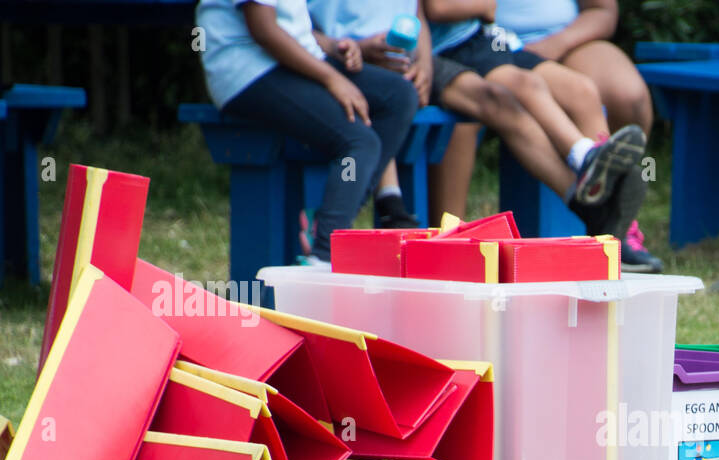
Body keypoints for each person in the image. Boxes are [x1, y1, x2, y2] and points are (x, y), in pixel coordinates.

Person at [195, 0, 420, 263]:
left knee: (398, 96)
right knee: (359, 141)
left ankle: (332, 218)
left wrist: (335, 47)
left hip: (292, 58)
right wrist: (333, 79)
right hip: (248, 69)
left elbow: (290, 25)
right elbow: (263, 29)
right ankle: (324, 254)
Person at [423, 0, 645, 211]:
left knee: (580, 90)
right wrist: (487, 5)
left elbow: (602, 11)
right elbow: (438, 8)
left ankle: (594, 169)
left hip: (494, 43)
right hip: (463, 47)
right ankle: (590, 177)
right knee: (496, 99)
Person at [494, 0, 662, 272]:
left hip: (564, 40)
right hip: (496, 45)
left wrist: (556, 43)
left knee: (630, 97)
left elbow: (602, 11)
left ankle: (620, 216)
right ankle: (605, 210)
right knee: (568, 92)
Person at [307, 0, 434, 229]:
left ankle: (385, 202)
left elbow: (418, 14)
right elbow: (290, 28)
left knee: (388, 107)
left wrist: (425, 64)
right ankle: (336, 223)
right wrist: (349, 49)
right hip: (334, 64)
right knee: (361, 141)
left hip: (395, 75)